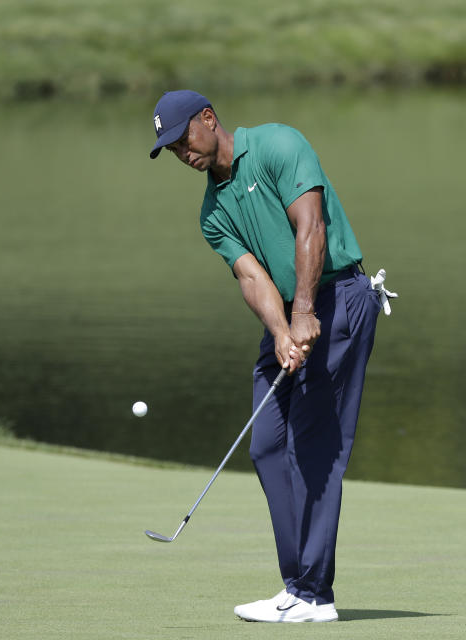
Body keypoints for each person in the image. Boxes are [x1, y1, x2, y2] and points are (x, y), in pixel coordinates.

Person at [149, 90, 385, 623]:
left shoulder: (279, 144)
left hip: (338, 298)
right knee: (269, 445)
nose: (182, 154)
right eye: (171, 150)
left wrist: (304, 311)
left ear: (208, 119)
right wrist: (281, 329)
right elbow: (251, 277)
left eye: (183, 138)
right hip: (286, 311)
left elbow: (311, 227)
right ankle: (297, 583)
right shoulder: (212, 213)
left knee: (314, 445)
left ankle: (313, 595)